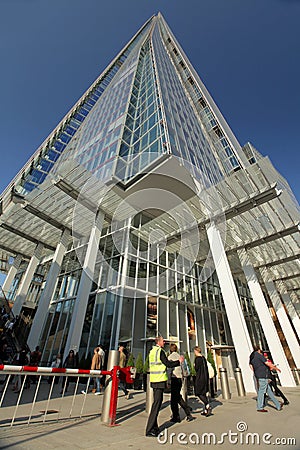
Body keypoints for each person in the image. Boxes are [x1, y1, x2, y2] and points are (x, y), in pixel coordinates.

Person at [145, 335, 184, 438]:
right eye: (163, 341)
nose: (164, 342)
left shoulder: (152, 352)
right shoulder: (160, 352)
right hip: (159, 380)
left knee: (156, 403)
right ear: (158, 342)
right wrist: (178, 361)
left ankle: (155, 427)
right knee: (156, 405)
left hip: (154, 380)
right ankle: (149, 429)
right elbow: (167, 364)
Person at [249, 346, 283, 412]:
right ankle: (260, 407)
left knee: (269, 391)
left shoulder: (251, 356)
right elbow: (267, 363)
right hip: (263, 375)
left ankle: (278, 405)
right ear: (258, 350)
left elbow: (251, 366)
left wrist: (256, 372)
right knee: (261, 391)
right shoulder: (259, 355)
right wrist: (275, 368)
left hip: (259, 375)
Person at [167, 344, 194, 422]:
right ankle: (187, 412)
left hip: (174, 378)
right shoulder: (180, 357)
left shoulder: (170, 357)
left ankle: (177, 416)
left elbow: (169, 370)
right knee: (177, 397)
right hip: (180, 378)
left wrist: (168, 381)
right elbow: (184, 368)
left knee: (174, 399)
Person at [193, 346, 212, 416]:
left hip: (200, 377)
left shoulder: (197, 359)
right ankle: (205, 410)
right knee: (203, 392)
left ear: (196, 351)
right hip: (205, 377)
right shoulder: (203, 358)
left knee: (199, 392)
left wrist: (194, 365)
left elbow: (196, 368)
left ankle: (207, 404)